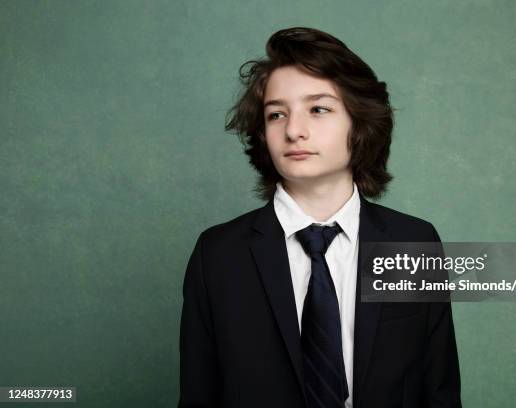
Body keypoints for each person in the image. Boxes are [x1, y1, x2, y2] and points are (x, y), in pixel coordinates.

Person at [178, 27, 461, 408]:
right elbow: (199, 397)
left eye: (319, 109)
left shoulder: (414, 241)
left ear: (359, 123)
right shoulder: (218, 254)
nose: (294, 130)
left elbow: (439, 391)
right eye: (276, 114)